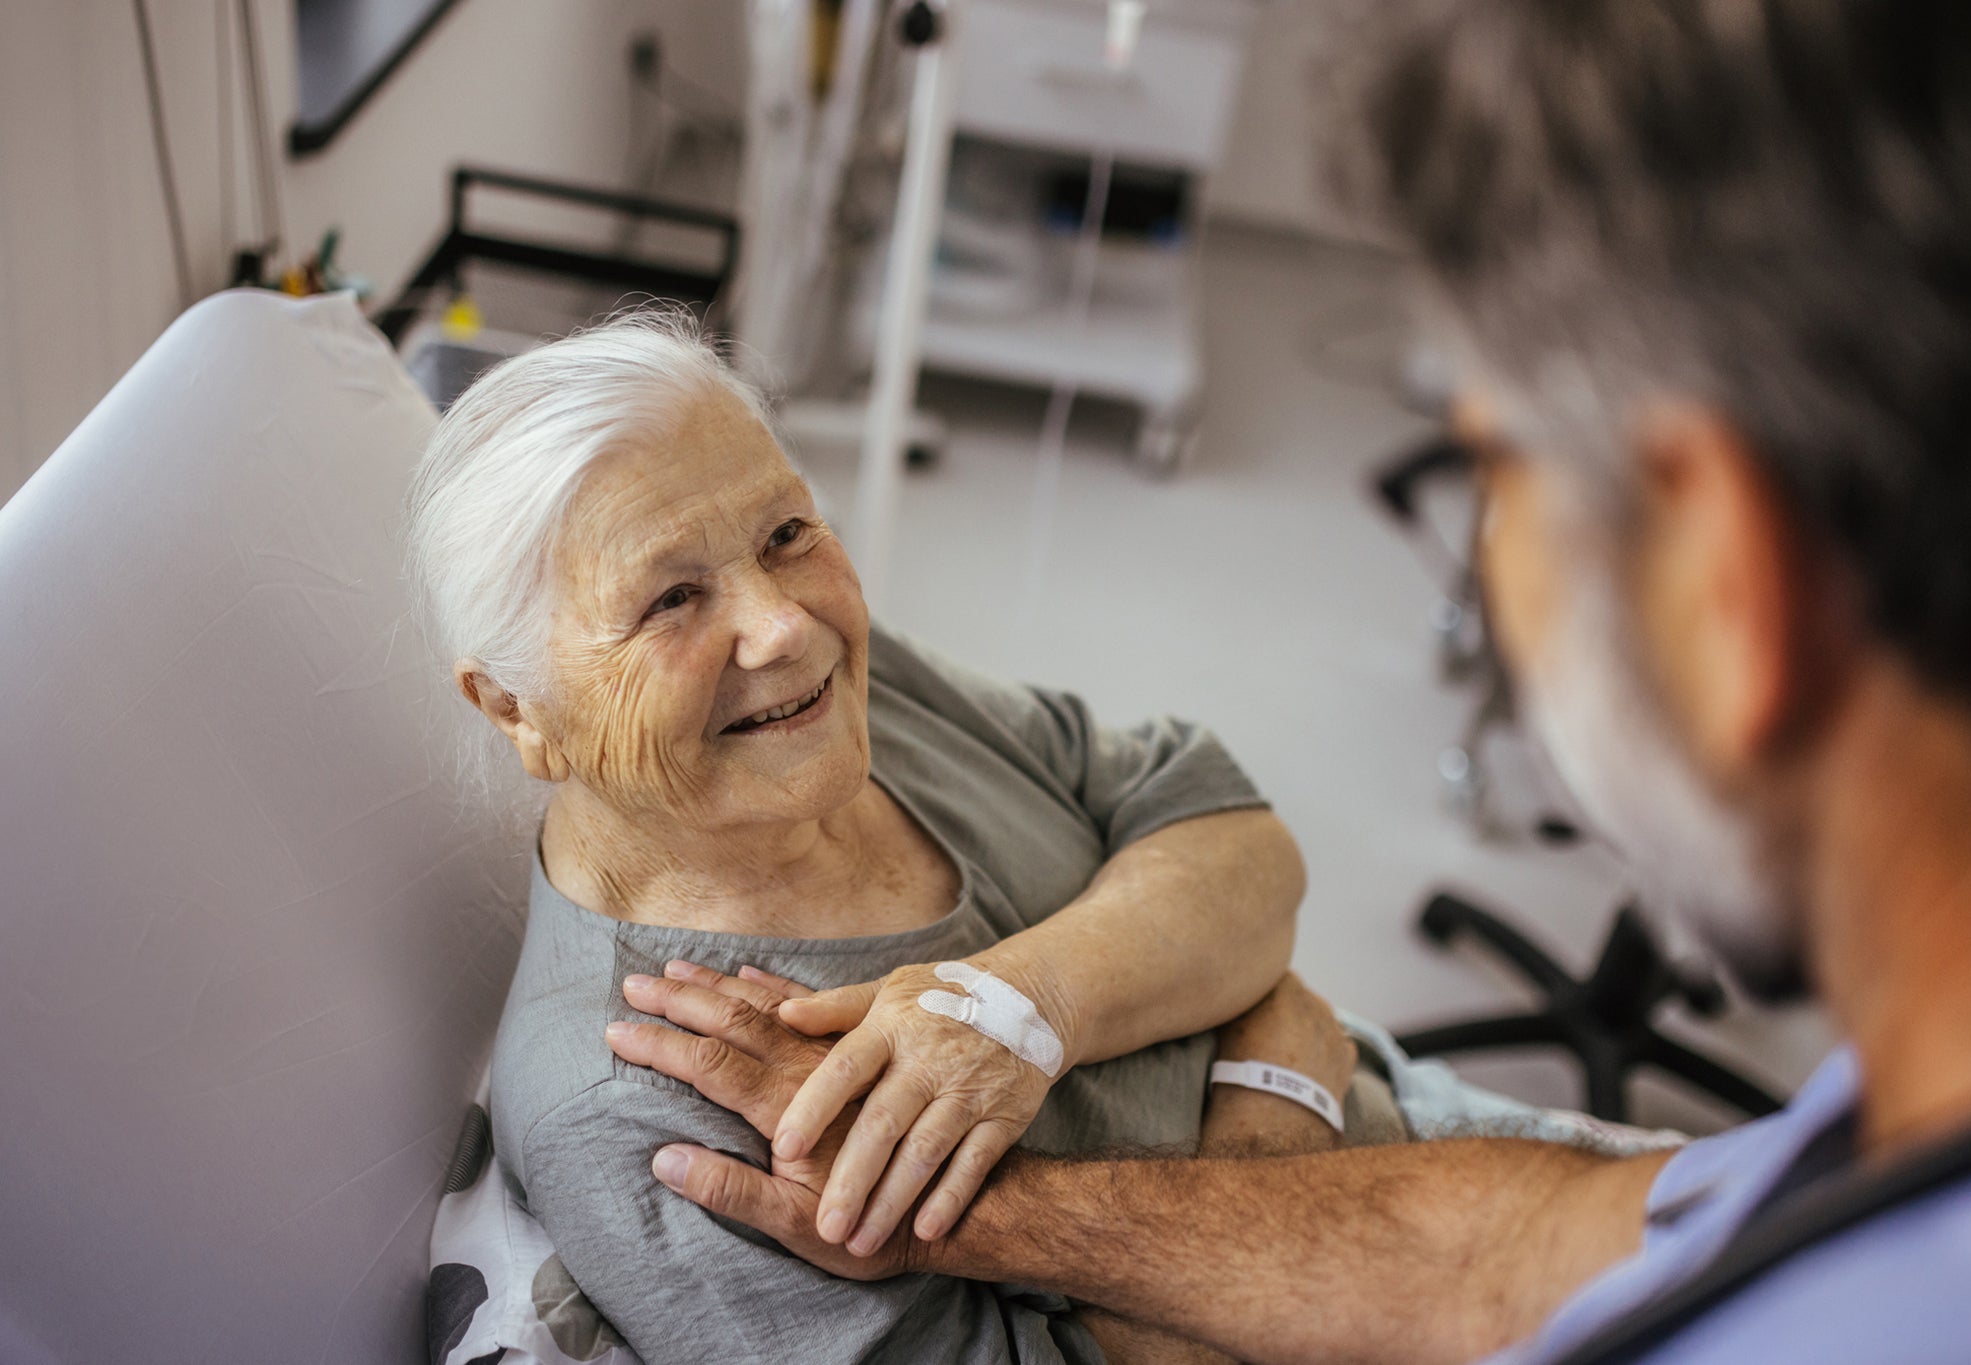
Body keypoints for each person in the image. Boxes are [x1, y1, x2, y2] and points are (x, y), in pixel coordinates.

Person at [618, 2, 1971, 1361]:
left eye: (1495, 468)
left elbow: (1217, 828)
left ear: (1731, 588)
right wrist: (1003, 1208)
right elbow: (1512, 1251)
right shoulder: (1946, 1099)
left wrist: (1194, 1074)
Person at [402, 313, 1406, 1364]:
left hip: (1426, 1163)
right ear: (516, 709)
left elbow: (1228, 829)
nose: (783, 625)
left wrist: (1024, 1005)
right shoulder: (641, 1109)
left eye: (787, 533)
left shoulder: (826, 699)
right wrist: (1276, 1101)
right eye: (670, 599)